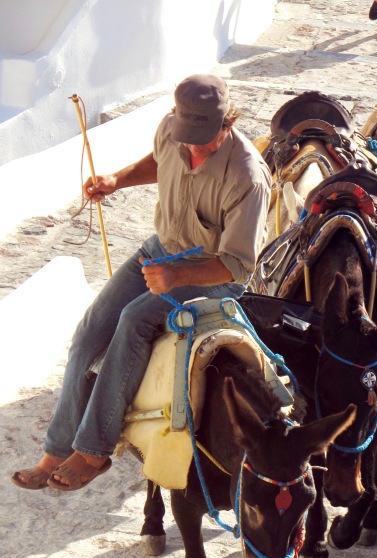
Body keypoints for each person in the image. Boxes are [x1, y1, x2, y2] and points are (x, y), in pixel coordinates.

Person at [11, 74, 271, 492]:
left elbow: (238, 265)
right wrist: (116, 179)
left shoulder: (248, 177)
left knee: (134, 320)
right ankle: (57, 449)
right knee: (88, 332)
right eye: (186, 135)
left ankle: (94, 451)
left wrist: (178, 277)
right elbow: (158, 161)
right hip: (160, 249)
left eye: (202, 138)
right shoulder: (174, 131)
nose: (191, 146)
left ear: (227, 125)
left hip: (213, 274)